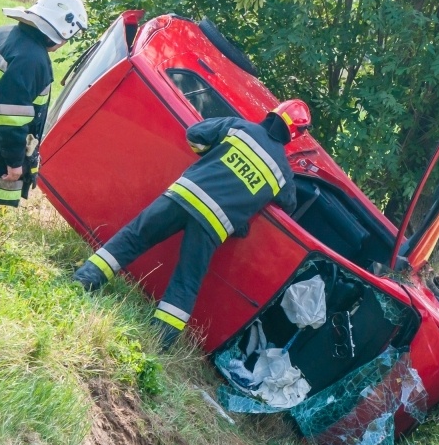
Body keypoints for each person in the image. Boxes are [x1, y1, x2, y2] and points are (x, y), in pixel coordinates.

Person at [73, 100, 311, 349]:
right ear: (294, 134)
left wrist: (209, 158)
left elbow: (196, 134)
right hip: (213, 224)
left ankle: (85, 280)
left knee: (134, 237)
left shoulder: (239, 128)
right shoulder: (282, 173)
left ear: (273, 113)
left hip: (182, 197)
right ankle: (159, 340)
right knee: (187, 280)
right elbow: (288, 205)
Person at [0, 0, 87, 217]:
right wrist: (13, 163)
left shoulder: (1, 34)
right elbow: (11, 117)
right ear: (63, 29)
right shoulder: (32, 59)